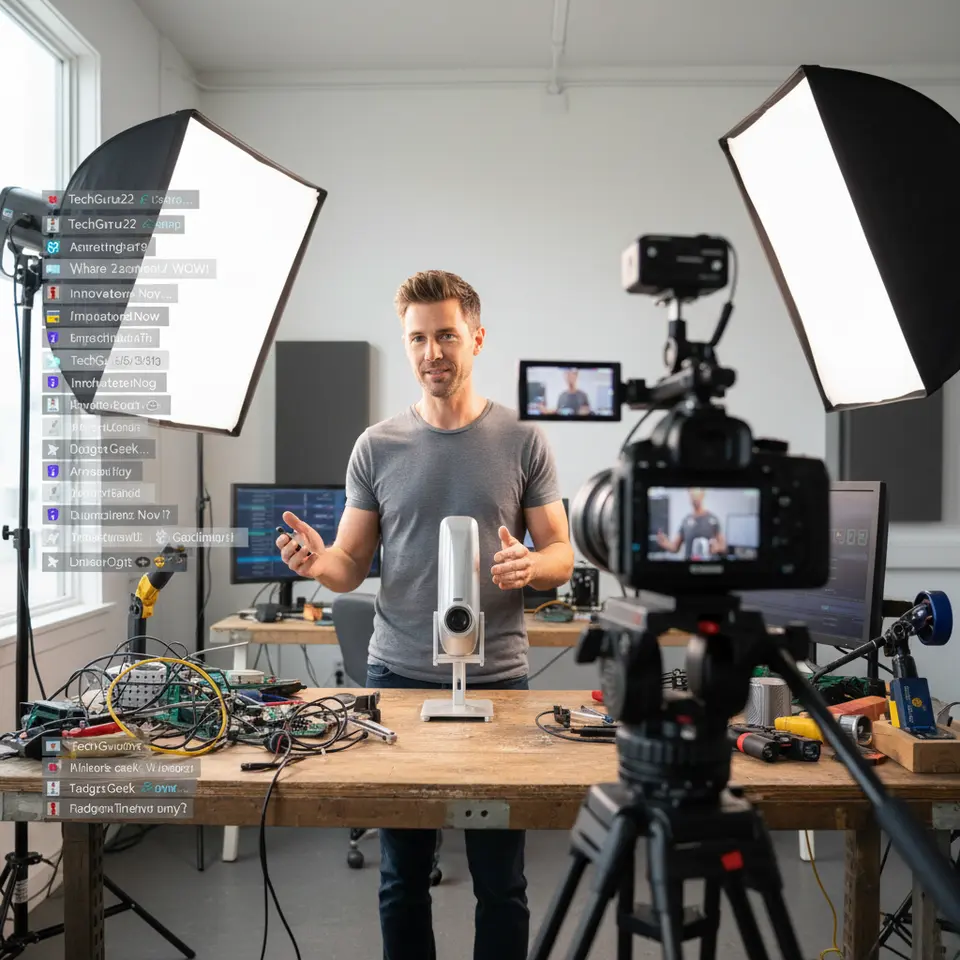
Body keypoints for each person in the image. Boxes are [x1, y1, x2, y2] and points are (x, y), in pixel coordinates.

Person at [275, 269, 573, 960]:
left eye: (446, 335)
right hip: (401, 676)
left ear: (476, 337)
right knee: (402, 875)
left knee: (502, 880)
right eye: (418, 338)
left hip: (497, 679)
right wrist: (320, 564)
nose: (432, 351)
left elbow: (561, 550)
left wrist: (533, 565)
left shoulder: (523, 441)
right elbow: (350, 564)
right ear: (405, 343)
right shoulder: (376, 446)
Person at [655, 487, 726, 560]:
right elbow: (675, 547)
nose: (695, 498)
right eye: (692, 495)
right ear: (689, 496)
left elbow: (723, 547)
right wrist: (664, 543)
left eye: (697, 494)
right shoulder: (686, 521)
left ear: (703, 494)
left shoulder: (713, 520)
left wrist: (717, 548)